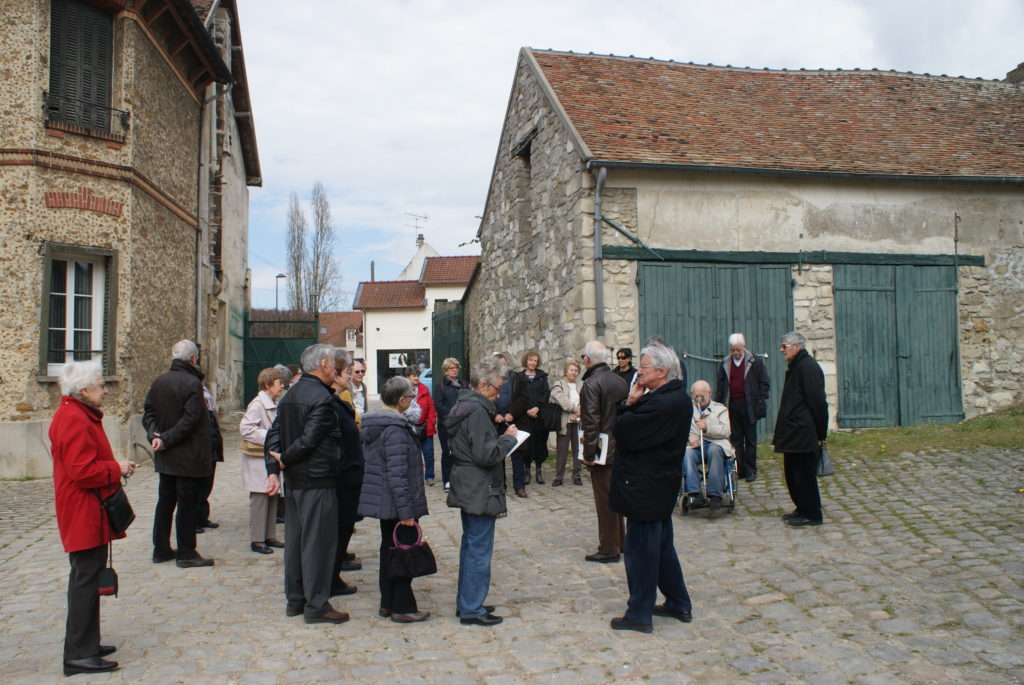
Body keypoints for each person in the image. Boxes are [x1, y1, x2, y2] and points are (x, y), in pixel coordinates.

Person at [50, 360, 137, 676]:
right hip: (83, 509)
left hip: (90, 508)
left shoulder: (79, 414)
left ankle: (87, 643)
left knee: (87, 577)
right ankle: (79, 653)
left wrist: (114, 465)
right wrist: (118, 469)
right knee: (85, 581)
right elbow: (82, 471)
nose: (105, 389)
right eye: (101, 385)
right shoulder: (73, 418)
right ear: (84, 391)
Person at [609, 344, 693, 633]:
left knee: (641, 552)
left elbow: (623, 431)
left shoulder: (664, 403)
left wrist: (629, 403)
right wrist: (631, 403)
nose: (639, 371)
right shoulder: (669, 398)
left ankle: (639, 613)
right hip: (657, 485)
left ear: (661, 371)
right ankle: (678, 601)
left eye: (644, 367)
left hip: (646, 486)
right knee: (662, 548)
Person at [265, 343, 349, 624]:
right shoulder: (321, 399)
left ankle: (296, 599)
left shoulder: (290, 397)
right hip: (316, 479)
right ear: (322, 365)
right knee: (318, 544)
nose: (334, 367)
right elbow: (309, 440)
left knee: (297, 541)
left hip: (297, 482)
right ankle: (316, 604)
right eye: (331, 362)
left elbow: (273, 437)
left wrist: (275, 467)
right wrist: (282, 461)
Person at [445, 355, 518, 626]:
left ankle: (468, 602)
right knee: (478, 548)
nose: (500, 393)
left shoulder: (465, 405)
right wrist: (508, 440)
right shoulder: (477, 411)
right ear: (484, 385)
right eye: (498, 387)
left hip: (468, 482)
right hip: (478, 485)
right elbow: (486, 455)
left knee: (471, 545)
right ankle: (471, 608)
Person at [358, 376, 431, 623]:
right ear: (401, 401)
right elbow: (398, 474)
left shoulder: (378, 424)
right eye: (410, 397)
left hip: (385, 502)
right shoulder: (395, 430)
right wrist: (407, 511)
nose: (412, 401)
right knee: (402, 551)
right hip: (397, 504)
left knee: (388, 549)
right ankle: (402, 606)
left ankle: (387, 603)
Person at [143, 339, 215, 568]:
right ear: (193, 359)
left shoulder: (159, 382)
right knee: (186, 505)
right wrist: (162, 438)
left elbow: (148, 414)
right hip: (187, 456)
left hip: (167, 456)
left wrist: (156, 435)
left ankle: (161, 548)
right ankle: (186, 552)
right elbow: (191, 419)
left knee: (165, 502)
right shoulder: (191, 383)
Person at [580, 341, 628, 563]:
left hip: (603, 451)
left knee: (605, 500)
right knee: (616, 496)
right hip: (620, 446)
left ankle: (609, 547)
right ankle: (621, 540)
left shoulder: (592, 384)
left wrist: (589, 454)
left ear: (588, 359)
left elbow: (591, 422)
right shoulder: (619, 380)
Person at [773, 331, 828, 527]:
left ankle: (812, 513)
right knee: (792, 473)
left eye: (785, 346)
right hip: (793, 432)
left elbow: (818, 403)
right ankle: (802, 507)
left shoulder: (808, 367)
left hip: (803, 433)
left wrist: (822, 433)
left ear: (797, 347)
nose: (782, 350)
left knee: (803, 475)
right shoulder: (797, 366)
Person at [239, 367, 286, 554]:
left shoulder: (271, 403)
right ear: (267, 384)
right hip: (258, 459)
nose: (282, 386)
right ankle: (257, 540)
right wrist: (271, 436)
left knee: (272, 496)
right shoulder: (258, 404)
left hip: (268, 458)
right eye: (278, 383)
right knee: (260, 498)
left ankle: (269, 535)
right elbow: (246, 428)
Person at [714, 333, 770, 482]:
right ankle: (741, 469)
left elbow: (765, 382)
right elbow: (720, 387)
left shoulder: (754, 361)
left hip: (750, 405)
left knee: (750, 439)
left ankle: (751, 469)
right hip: (732, 405)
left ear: (744, 347)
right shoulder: (725, 363)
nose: (736, 353)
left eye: (738, 350)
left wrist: (759, 398)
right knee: (736, 439)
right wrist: (719, 405)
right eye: (732, 350)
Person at [330, 351, 363, 592]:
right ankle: (332, 575)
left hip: (349, 470)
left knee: (345, 525)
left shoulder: (342, 395)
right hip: (340, 473)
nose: (352, 374)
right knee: (339, 526)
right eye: (348, 370)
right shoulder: (333, 399)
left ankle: (335, 570)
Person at [683, 380, 734, 510]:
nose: (699, 399)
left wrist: (708, 427)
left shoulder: (720, 409)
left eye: (702, 396)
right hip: (696, 446)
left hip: (716, 443)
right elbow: (681, 430)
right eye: (696, 396)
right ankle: (695, 493)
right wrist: (690, 438)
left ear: (709, 393)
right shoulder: (688, 410)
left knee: (715, 451)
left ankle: (715, 494)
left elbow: (726, 431)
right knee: (687, 453)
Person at [492, 352, 529, 497]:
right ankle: (500, 485)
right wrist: (494, 414)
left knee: (517, 454)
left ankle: (519, 486)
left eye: (503, 363)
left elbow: (524, 398)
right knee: (498, 455)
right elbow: (486, 399)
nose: (502, 367)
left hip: (514, 421)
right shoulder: (490, 379)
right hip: (496, 422)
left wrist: (512, 413)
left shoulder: (517, 378)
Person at [515, 350, 551, 487]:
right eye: (530, 360)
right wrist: (526, 410)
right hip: (524, 417)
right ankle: (527, 470)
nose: (533, 363)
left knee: (540, 443)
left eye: (535, 361)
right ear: (526, 361)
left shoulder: (542, 376)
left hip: (539, 416)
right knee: (526, 444)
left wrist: (537, 408)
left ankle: (539, 470)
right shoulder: (519, 377)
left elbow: (546, 393)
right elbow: (517, 395)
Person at [549, 360, 583, 486]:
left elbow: (585, 400)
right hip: (565, 422)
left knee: (578, 450)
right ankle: (559, 476)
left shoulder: (581, 385)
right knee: (562, 450)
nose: (573, 373)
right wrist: (574, 409)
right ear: (565, 372)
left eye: (576, 370)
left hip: (579, 422)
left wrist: (579, 412)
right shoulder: (559, 384)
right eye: (571, 370)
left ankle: (577, 475)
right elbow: (560, 398)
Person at [433, 357, 463, 492]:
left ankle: (461, 479)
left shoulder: (464, 385)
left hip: (463, 424)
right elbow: (438, 405)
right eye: (452, 368)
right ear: (446, 371)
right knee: (448, 452)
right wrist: (454, 414)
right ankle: (447, 480)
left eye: (456, 367)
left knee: (462, 452)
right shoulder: (440, 386)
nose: (455, 370)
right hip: (447, 425)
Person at [405, 365, 438, 485]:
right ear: (408, 377)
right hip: (410, 428)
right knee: (413, 455)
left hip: (425, 426)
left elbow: (431, 407)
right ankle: (415, 476)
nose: (417, 378)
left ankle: (429, 476)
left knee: (428, 453)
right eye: (414, 376)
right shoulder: (403, 390)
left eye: (418, 375)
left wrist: (431, 421)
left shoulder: (424, 389)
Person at [196, 384, 222, 533]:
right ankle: (194, 521)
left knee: (207, 484)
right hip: (201, 450)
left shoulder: (209, 408)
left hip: (211, 447)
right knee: (198, 487)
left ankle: (202, 517)